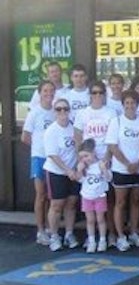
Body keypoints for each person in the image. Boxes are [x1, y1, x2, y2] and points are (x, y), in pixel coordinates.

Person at [73, 80, 118, 246]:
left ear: (105, 95)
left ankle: (110, 235)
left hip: (105, 161)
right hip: (88, 162)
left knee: (108, 201)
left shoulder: (111, 112)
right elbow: (77, 136)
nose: (97, 95)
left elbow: (113, 137)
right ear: (90, 95)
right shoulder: (82, 114)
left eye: (100, 92)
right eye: (94, 92)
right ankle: (91, 237)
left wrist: (106, 158)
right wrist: (82, 158)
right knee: (89, 199)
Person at [105, 90, 139, 251]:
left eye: (132, 103)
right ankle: (121, 236)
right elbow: (112, 146)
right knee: (120, 203)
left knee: (135, 201)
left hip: (138, 169)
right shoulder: (117, 122)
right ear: (122, 105)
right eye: (127, 103)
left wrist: (138, 163)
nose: (130, 106)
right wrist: (127, 163)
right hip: (121, 169)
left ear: (137, 104)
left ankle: (134, 232)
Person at [43, 98, 80, 251]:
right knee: (57, 205)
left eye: (65, 109)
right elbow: (53, 155)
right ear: (55, 111)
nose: (62, 112)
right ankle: (54, 235)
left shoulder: (74, 128)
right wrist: (67, 170)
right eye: (59, 109)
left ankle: (69, 234)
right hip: (56, 172)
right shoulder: (51, 130)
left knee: (71, 204)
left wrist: (77, 168)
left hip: (73, 172)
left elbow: (79, 148)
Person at [22, 81, 56, 245]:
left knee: (51, 196)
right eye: (45, 91)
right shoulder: (34, 113)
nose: (48, 93)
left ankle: (50, 228)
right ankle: (40, 230)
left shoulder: (56, 112)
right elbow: (25, 137)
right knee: (41, 195)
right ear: (40, 93)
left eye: (51, 90)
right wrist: (38, 148)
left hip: (53, 159)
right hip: (39, 158)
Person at [76, 139, 113, 253]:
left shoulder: (99, 165)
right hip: (87, 196)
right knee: (90, 220)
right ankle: (91, 241)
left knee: (100, 219)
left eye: (86, 156)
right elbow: (80, 180)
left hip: (99, 196)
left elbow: (108, 178)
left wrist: (104, 170)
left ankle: (102, 240)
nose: (85, 159)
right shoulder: (84, 167)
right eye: (82, 157)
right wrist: (79, 171)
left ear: (93, 153)